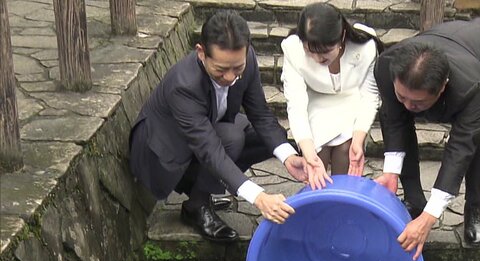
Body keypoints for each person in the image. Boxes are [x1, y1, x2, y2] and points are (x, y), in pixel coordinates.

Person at [129, 10, 307, 243]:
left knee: (272, 139)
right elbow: (209, 150)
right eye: (221, 70)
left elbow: (260, 114)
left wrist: (289, 157)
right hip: (162, 153)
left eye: (237, 68)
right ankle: (197, 205)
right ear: (201, 53)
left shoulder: (246, 58)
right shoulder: (184, 86)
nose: (231, 77)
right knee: (231, 138)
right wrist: (259, 197)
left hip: (208, 128)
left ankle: (207, 187)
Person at [373, 18, 480, 259]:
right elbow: (394, 118)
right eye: (402, 96)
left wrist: (430, 217)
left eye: (418, 102)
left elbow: (460, 148)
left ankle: (474, 208)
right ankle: (414, 200)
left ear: (442, 87)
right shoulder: (386, 65)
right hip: (453, 42)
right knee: (397, 116)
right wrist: (391, 172)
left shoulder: (470, 87)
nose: (409, 106)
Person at [281, 2, 383, 189]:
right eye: (310, 51)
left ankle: (343, 195)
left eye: (325, 52)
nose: (317, 59)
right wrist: (308, 152)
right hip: (316, 103)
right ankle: (317, 200)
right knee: (316, 155)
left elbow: (369, 96)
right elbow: (296, 103)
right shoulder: (292, 49)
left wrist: (359, 138)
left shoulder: (366, 47)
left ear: (342, 36)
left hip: (350, 100)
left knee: (346, 149)